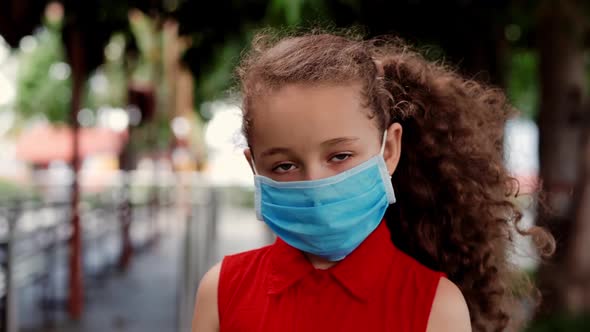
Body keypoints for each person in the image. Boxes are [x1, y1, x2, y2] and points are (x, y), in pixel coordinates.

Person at [192, 31, 553, 332]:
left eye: (339, 156)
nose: (316, 184)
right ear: (254, 166)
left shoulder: (436, 308)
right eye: (285, 165)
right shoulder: (221, 292)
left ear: (390, 149)